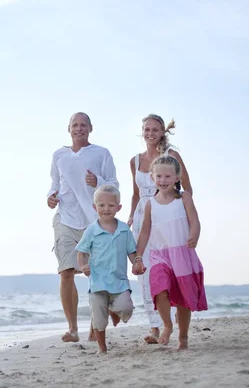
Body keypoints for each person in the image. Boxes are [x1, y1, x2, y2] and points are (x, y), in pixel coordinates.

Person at [47, 112, 119, 343]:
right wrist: (50, 196)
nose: (79, 129)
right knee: (66, 272)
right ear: (68, 128)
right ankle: (72, 328)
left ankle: (95, 325)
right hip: (66, 219)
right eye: (75, 125)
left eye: (83, 125)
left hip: (94, 222)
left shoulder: (101, 153)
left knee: (96, 275)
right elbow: (55, 183)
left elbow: (114, 185)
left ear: (90, 128)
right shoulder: (59, 155)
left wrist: (98, 181)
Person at [127, 114, 193, 344]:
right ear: (142, 131)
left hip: (166, 215)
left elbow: (187, 189)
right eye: (147, 129)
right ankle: (155, 326)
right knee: (145, 271)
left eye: (155, 129)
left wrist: (183, 216)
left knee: (172, 268)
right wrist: (129, 217)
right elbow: (135, 194)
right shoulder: (134, 161)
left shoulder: (171, 156)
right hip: (141, 218)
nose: (150, 133)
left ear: (163, 132)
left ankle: (175, 319)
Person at [135, 155, 207, 350]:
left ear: (177, 178)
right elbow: (144, 232)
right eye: (159, 176)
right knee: (159, 288)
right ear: (152, 177)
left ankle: (183, 336)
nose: (163, 180)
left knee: (184, 298)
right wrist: (138, 257)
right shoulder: (150, 203)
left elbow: (195, 220)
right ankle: (167, 324)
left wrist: (194, 235)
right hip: (160, 255)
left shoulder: (184, 198)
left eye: (168, 176)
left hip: (182, 254)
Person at [76, 185, 146, 354]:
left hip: (119, 281)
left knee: (126, 308)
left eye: (110, 205)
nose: (106, 209)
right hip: (98, 282)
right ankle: (102, 347)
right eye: (101, 205)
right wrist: (83, 265)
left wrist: (136, 262)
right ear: (95, 207)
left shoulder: (123, 230)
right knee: (99, 319)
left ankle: (114, 311)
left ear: (118, 207)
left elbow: (131, 251)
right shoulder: (91, 230)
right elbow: (82, 252)